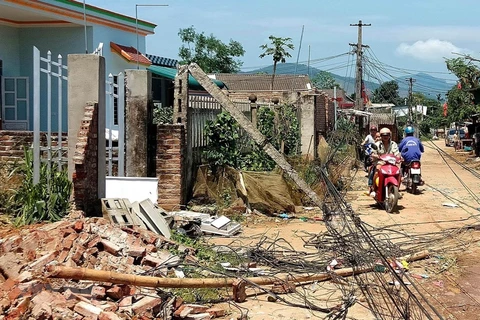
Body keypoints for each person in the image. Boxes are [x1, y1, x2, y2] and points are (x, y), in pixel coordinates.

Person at [368, 127, 401, 197]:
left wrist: (398, 157)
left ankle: (397, 190)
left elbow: (397, 153)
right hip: (380, 162)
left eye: (387, 135)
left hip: (391, 163)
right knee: (377, 171)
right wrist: (377, 156)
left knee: (399, 172)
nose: (385, 137)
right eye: (383, 135)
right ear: (381, 136)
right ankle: (374, 189)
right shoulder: (377, 144)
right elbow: (372, 153)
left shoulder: (393, 144)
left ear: (390, 136)